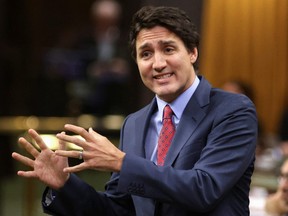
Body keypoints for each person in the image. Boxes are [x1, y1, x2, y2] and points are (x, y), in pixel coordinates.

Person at [11, 6, 258, 215]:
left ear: (192, 52)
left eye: (169, 49)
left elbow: (205, 188)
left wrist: (121, 162)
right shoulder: (135, 123)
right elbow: (119, 209)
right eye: (146, 54)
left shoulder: (233, 109)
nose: (158, 64)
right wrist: (64, 185)